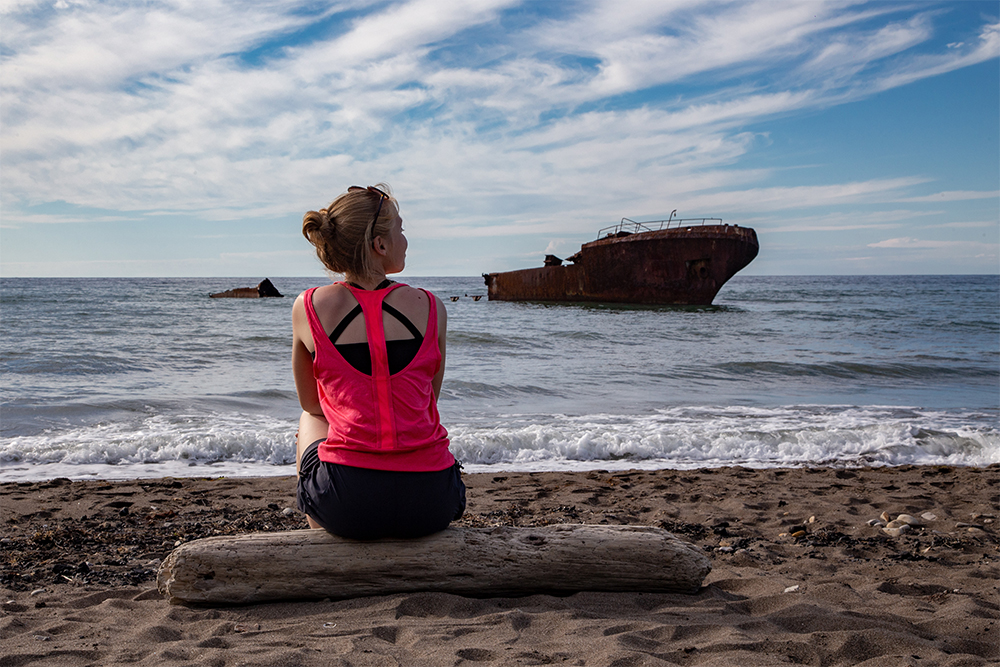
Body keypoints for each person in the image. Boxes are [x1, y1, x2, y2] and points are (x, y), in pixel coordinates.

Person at [291, 184, 466, 540]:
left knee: (308, 416)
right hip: (432, 500)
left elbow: (311, 403)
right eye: (400, 229)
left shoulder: (308, 306)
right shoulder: (431, 306)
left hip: (348, 503)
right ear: (380, 245)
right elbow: (428, 399)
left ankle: (320, 526)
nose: (405, 239)